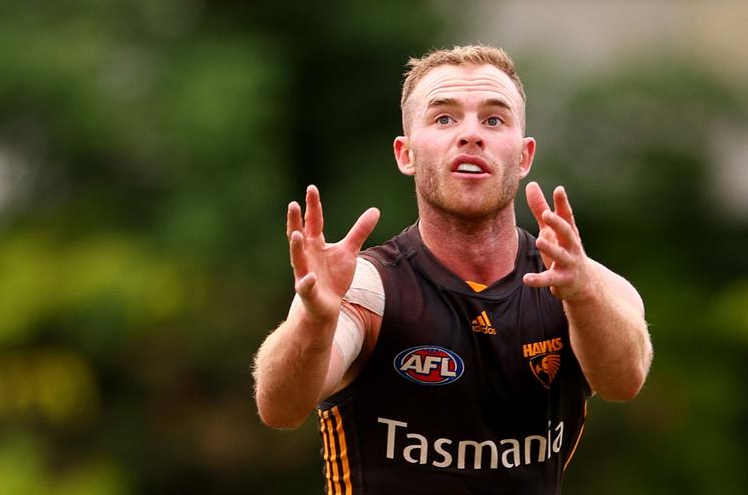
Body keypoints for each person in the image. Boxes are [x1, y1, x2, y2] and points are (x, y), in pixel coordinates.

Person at [252, 45, 651, 493]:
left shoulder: (576, 284)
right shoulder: (366, 288)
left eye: (494, 119)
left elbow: (624, 381)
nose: (471, 135)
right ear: (405, 154)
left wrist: (585, 295)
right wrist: (314, 321)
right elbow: (279, 408)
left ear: (524, 156)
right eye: (444, 118)